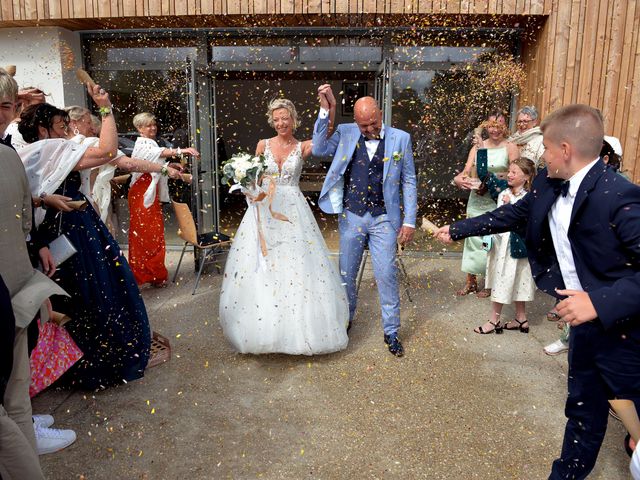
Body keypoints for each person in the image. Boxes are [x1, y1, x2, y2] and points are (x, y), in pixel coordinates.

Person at [435, 104, 640, 479]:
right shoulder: (547, 182)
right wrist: (459, 228)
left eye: (544, 148)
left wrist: (598, 301)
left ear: (565, 149)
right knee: (582, 411)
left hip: (627, 332)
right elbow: (511, 215)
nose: (540, 156)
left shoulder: (621, 196)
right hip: (583, 326)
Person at [18, 86, 152, 390]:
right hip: (74, 230)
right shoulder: (52, 149)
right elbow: (107, 151)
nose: (66, 132)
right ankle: (95, 358)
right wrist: (105, 108)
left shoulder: (24, 154)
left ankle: (61, 361)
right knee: (94, 289)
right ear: (42, 129)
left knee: (68, 293)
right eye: (60, 126)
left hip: (51, 233)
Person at [219, 98, 349, 355]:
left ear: (293, 119)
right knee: (262, 265)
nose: (280, 123)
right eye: (276, 119)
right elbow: (251, 178)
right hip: (263, 209)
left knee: (296, 263)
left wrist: (328, 108)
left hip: (292, 210)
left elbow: (325, 137)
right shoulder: (262, 145)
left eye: (285, 119)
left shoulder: (304, 147)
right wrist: (247, 187)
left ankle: (297, 332)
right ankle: (262, 329)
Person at [311, 84, 417, 357]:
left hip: (384, 218)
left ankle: (391, 331)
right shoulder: (346, 133)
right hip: (353, 215)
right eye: (363, 126)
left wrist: (409, 221)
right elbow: (320, 148)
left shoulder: (401, 139)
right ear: (355, 121)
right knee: (346, 273)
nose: (369, 130)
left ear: (380, 115)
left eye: (372, 124)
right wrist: (327, 109)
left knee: (386, 276)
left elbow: (408, 180)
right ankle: (346, 320)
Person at [65, 106, 184, 226]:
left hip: (68, 204)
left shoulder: (60, 144)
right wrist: (165, 167)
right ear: (74, 123)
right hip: (85, 204)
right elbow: (129, 163)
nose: (93, 128)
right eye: (89, 122)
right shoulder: (90, 145)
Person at [128, 112, 199, 287]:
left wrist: (170, 166)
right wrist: (182, 150)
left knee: (154, 234)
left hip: (149, 194)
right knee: (146, 235)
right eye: (148, 125)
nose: (152, 128)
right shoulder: (143, 143)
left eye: (153, 124)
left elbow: (154, 163)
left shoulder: (150, 142)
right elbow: (158, 153)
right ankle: (146, 275)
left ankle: (154, 274)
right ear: (139, 129)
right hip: (142, 194)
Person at [453, 110, 519, 297]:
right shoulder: (477, 147)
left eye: (499, 126)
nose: (494, 129)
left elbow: (517, 174)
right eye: (491, 125)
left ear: (505, 127)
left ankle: (490, 283)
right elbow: (465, 172)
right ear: (485, 126)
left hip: (496, 199)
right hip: (477, 199)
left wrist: (495, 179)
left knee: (491, 241)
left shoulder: (510, 147)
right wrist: (460, 180)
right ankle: (471, 281)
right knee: (472, 237)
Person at [473, 158, 537, 334]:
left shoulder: (528, 197)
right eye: (509, 171)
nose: (509, 175)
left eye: (514, 172)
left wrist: (510, 206)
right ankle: (521, 318)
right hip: (502, 245)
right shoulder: (503, 193)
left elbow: (519, 220)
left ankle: (494, 320)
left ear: (526, 177)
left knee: (510, 279)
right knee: (509, 278)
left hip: (514, 246)